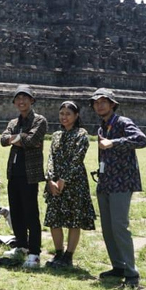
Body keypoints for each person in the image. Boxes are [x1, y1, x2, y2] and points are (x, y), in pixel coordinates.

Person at [90, 88, 146, 288]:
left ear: (112, 104)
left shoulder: (123, 122)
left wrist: (113, 142)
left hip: (122, 182)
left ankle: (132, 274)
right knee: (108, 228)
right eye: (96, 102)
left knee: (119, 226)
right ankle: (118, 266)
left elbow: (142, 140)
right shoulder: (101, 127)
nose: (100, 105)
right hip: (106, 182)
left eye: (104, 101)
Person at [0, 85, 47, 268]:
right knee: (16, 211)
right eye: (18, 99)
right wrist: (21, 138)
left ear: (32, 100)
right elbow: (4, 140)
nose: (21, 101)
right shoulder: (14, 122)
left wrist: (17, 139)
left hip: (30, 173)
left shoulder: (39, 120)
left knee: (30, 213)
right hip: (14, 172)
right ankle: (21, 245)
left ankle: (34, 252)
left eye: (25, 98)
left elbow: (33, 140)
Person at [44, 101, 96, 269]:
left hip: (75, 183)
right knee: (54, 218)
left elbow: (77, 158)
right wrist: (50, 179)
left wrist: (64, 179)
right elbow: (50, 157)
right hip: (55, 182)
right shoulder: (57, 135)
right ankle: (58, 253)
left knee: (74, 220)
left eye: (68, 114)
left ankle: (68, 256)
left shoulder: (82, 134)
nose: (64, 117)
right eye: (62, 113)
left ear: (76, 116)